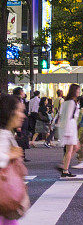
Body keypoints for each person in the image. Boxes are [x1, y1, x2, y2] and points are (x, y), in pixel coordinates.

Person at [0, 93, 29, 224]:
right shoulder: (3, 135)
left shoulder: (6, 134)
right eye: (19, 111)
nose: (23, 115)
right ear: (9, 112)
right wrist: (10, 155)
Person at [57, 83, 81, 178]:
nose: (79, 92)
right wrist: (66, 131)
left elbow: (61, 115)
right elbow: (68, 117)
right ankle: (65, 169)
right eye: (78, 90)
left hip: (69, 127)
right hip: (70, 128)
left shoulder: (67, 102)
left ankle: (64, 166)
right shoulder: (71, 102)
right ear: (74, 91)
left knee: (74, 148)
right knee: (71, 149)